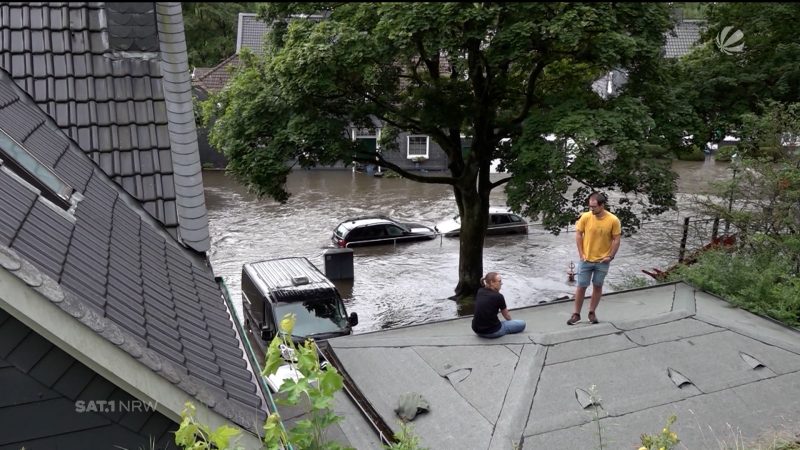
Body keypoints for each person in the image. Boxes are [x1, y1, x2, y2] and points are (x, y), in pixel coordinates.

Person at [567, 192, 621, 325]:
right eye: (590, 206)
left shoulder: (613, 220)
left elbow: (616, 239)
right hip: (586, 260)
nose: (591, 209)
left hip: (603, 261)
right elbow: (579, 234)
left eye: (594, 207)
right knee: (581, 286)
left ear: (602, 205)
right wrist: (581, 254)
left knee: (597, 285)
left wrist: (610, 256)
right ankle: (576, 314)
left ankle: (592, 312)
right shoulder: (585, 217)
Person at [472, 272, 526, 338]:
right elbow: (507, 316)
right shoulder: (499, 296)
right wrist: (511, 323)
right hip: (492, 332)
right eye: (499, 281)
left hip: (477, 330)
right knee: (522, 323)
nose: (501, 283)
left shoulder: (480, 291)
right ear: (492, 282)